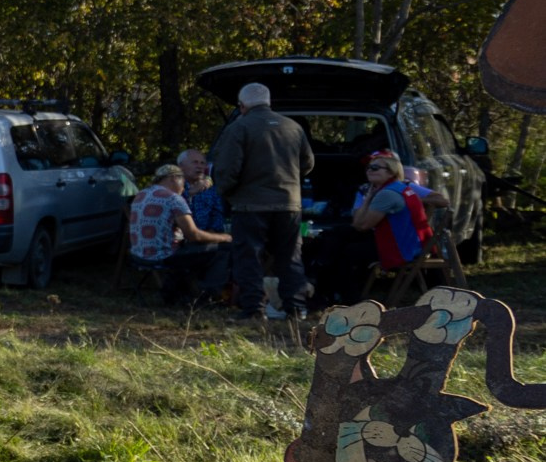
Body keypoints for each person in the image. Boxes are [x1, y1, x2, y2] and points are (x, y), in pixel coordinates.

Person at [210, 81, 317, 321]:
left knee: (249, 257)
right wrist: (290, 179)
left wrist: (225, 192)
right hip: (289, 203)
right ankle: (297, 307)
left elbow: (228, 168)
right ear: (269, 102)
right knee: (290, 256)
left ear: (242, 105)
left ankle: (254, 309)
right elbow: (308, 163)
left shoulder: (239, 127)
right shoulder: (293, 127)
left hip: (250, 205)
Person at [304, 150, 430, 305]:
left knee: (344, 252)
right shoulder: (397, 188)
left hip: (401, 247)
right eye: (369, 167)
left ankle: (343, 297)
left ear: (391, 172)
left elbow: (361, 225)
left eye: (376, 168)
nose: (370, 170)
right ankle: (321, 282)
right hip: (409, 242)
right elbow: (357, 224)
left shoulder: (387, 194)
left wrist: (369, 198)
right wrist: (369, 196)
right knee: (337, 235)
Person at [127, 162, 232, 303]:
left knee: (194, 251)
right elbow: (193, 235)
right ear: (173, 179)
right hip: (162, 256)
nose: (184, 187)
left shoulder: (142, 194)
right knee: (223, 250)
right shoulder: (173, 199)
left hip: (138, 255)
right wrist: (224, 237)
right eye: (183, 181)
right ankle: (208, 297)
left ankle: (176, 291)